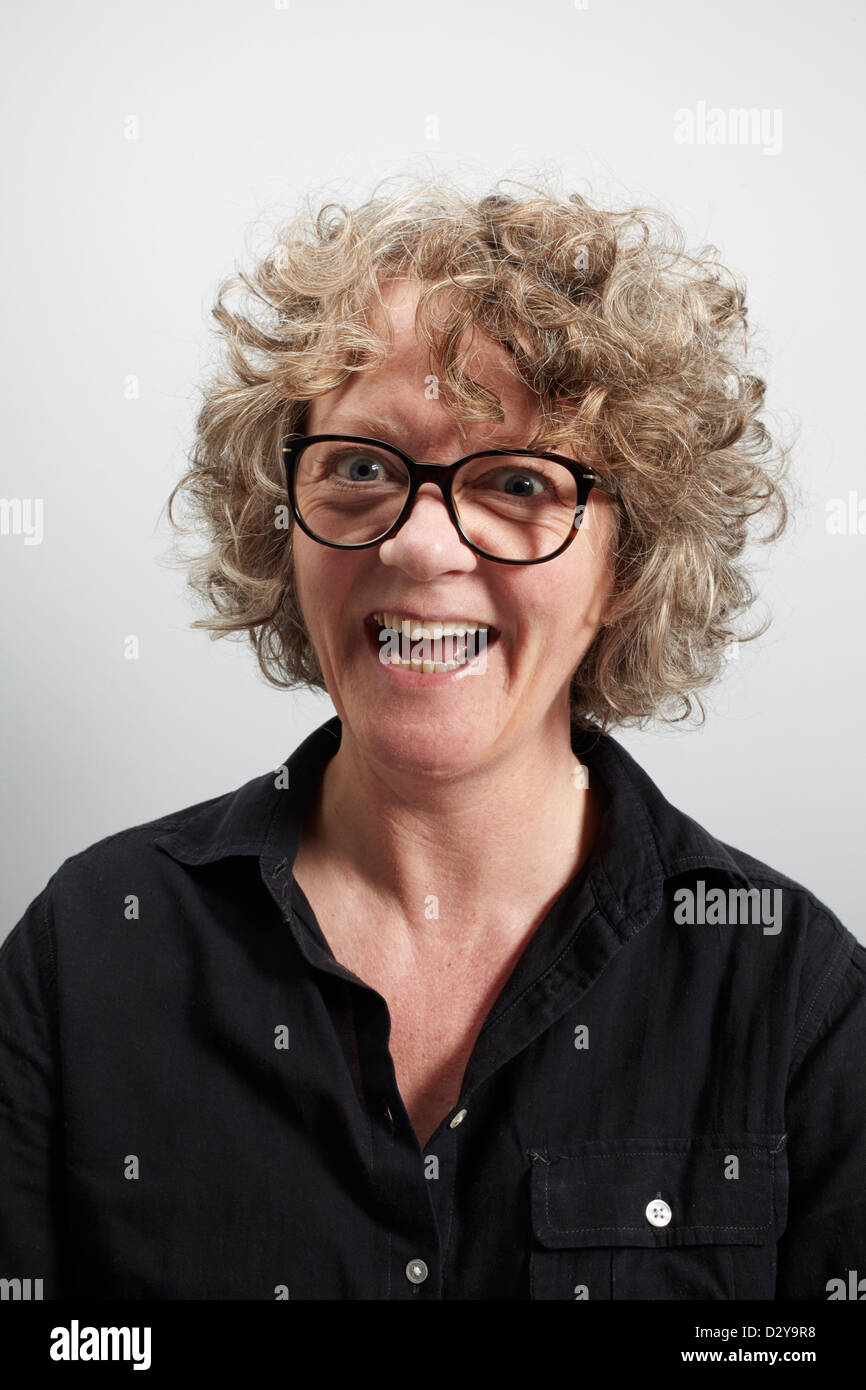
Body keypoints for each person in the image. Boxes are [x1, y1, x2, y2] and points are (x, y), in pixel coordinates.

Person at [1, 177, 864, 1301]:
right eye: (360, 467)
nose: (416, 546)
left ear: (628, 564)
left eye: (515, 481)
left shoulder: (789, 993)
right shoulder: (91, 949)